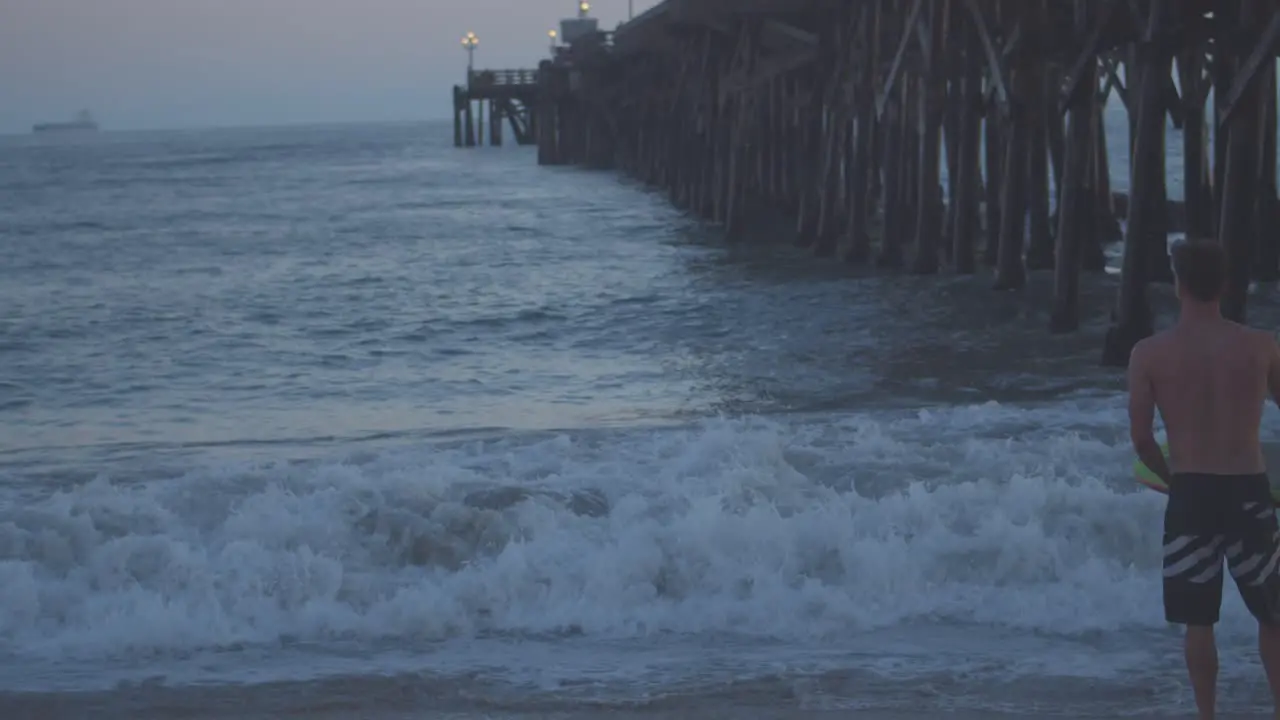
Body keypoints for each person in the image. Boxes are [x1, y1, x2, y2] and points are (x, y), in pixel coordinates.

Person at [1128, 238, 1280, 719]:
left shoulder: (1149, 354)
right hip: (1249, 488)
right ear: (1226, 284)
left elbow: (1142, 441)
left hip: (1191, 491)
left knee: (1199, 620)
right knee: (1274, 615)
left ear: (1178, 284)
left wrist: (1175, 482)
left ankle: (1207, 716)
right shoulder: (1260, 346)